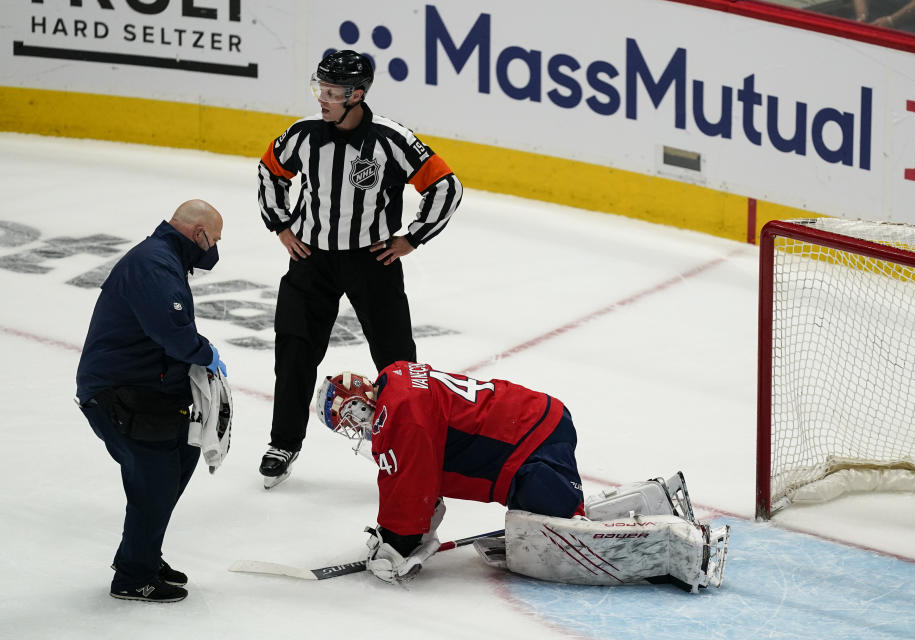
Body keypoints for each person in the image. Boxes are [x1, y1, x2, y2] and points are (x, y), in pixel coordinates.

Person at [317, 363, 730, 590]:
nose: (355, 428)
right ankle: (654, 499)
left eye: (349, 418)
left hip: (528, 447)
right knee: (559, 519)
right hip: (533, 422)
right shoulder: (399, 380)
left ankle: (684, 546)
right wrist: (414, 529)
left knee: (565, 533)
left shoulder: (399, 413)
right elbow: (421, 475)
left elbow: (408, 484)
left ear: (360, 400)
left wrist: (396, 542)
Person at [256, 50, 464, 489]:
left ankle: (410, 444)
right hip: (310, 260)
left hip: (372, 263)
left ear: (357, 95)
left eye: (332, 93)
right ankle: (283, 442)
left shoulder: (391, 138)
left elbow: (446, 186)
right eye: (321, 90)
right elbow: (271, 171)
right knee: (294, 352)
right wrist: (281, 225)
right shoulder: (304, 133)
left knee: (397, 361)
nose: (323, 100)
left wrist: (411, 238)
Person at [75, 199, 228, 603]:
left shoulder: (163, 259)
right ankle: (133, 576)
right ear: (198, 235)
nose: (213, 250)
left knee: (182, 455)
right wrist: (204, 352)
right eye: (214, 240)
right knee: (155, 479)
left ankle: (141, 554)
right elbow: (173, 333)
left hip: (145, 390)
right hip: (118, 393)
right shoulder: (154, 264)